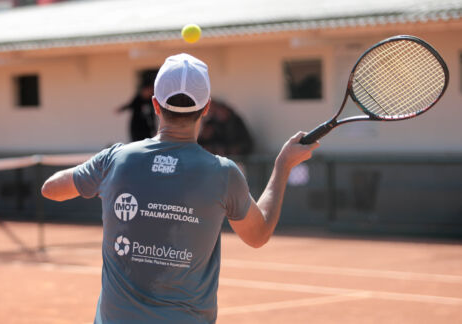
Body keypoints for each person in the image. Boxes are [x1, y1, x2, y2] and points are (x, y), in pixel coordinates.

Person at [41, 53, 319, 324]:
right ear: (206, 108)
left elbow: (50, 189)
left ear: (156, 105)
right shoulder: (223, 173)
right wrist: (283, 166)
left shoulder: (115, 159)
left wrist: (100, 169)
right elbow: (258, 235)